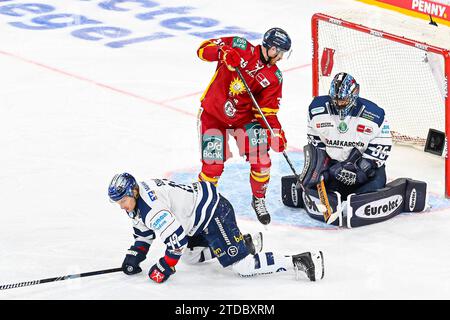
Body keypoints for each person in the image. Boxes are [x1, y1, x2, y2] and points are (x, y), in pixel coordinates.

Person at [108, 172, 324, 283]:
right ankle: (246, 242)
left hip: (213, 213)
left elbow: (176, 242)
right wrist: (134, 255)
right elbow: (144, 233)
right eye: (118, 203)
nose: (122, 207)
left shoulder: (151, 208)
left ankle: (302, 260)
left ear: (134, 192)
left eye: (123, 201)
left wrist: (164, 266)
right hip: (196, 217)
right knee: (191, 257)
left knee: (243, 267)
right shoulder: (136, 202)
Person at [196, 28, 292, 225]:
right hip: (214, 115)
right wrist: (222, 54)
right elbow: (202, 50)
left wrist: (276, 133)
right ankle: (201, 204)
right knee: (212, 168)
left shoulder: (275, 77)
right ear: (271, 48)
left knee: (262, 161)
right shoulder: (240, 46)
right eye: (280, 52)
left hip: (244, 119)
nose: (281, 57)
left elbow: (267, 111)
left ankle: (258, 199)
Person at [303, 72, 392, 199]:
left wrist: (362, 168)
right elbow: (316, 143)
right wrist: (322, 169)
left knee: (372, 188)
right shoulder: (316, 110)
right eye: (336, 100)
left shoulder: (375, 115)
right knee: (318, 182)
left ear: (354, 95)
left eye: (343, 100)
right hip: (334, 166)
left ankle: (358, 196)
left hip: (363, 167)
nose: (339, 104)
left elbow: (382, 146)